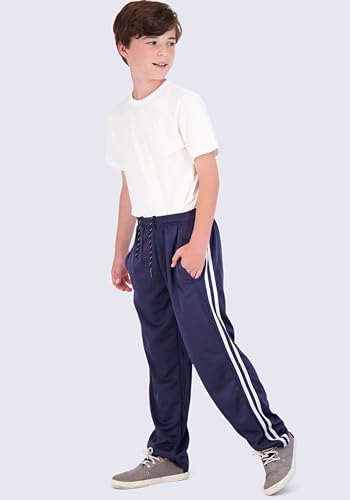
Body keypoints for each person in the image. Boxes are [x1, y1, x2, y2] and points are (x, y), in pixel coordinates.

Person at [104, 1, 295, 495]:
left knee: (209, 343)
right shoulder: (120, 117)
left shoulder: (184, 103)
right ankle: (168, 451)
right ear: (124, 48)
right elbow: (128, 186)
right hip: (147, 239)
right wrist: (120, 251)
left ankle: (272, 439)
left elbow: (208, 175)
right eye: (151, 42)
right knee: (161, 349)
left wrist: (197, 242)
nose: (163, 52)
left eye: (170, 42)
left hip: (188, 230)